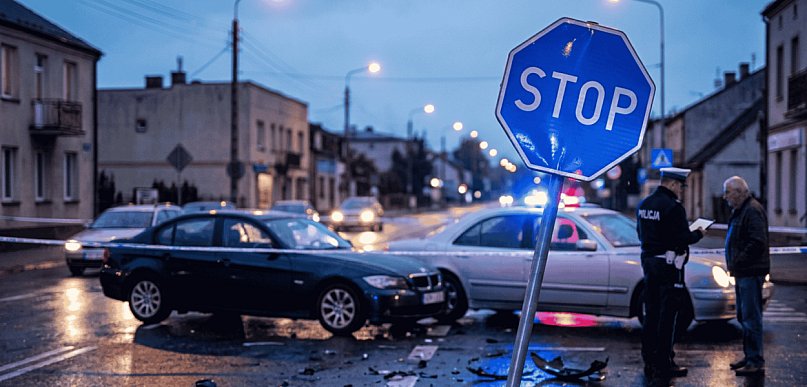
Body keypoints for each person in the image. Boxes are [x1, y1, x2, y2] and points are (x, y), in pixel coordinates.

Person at [636, 167, 705, 384]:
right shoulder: (673, 208)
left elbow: (640, 233)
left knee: (651, 313)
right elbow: (682, 237)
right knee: (667, 316)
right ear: (674, 184)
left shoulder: (645, 204)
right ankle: (664, 363)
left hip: (649, 263)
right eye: (682, 186)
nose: (682, 191)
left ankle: (648, 359)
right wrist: (699, 233)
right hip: (668, 267)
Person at [723, 176, 769, 376]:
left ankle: (755, 360)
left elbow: (757, 242)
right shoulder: (741, 210)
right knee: (744, 316)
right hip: (743, 272)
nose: (725, 197)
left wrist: (739, 260)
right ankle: (749, 355)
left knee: (751, 317)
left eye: (728, 192)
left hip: (750, 272)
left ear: (740, 192)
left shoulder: (751, 210)